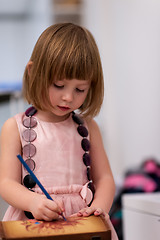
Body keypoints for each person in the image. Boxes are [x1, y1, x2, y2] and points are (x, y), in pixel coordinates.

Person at [0, 23, 118, 239]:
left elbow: (105, 179)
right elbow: (6, 183)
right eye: (58, 85)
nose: (68, 97)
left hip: (83, 223)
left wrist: (99, 208)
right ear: (33, 72)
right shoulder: (13, 127)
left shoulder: (89, 127)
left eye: (80, 89)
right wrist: (32, 201)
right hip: (33, 221)